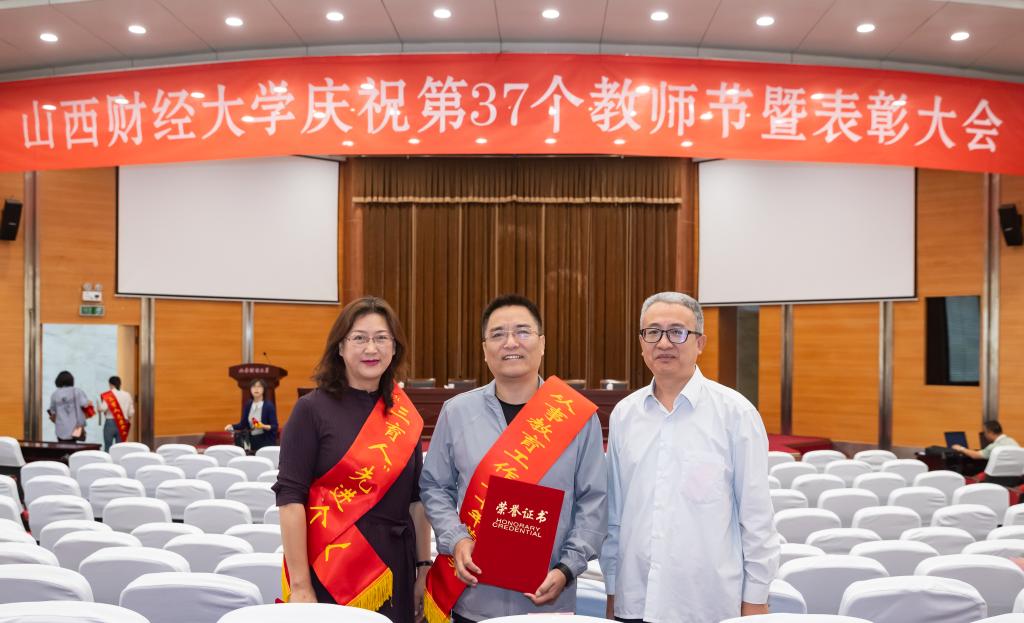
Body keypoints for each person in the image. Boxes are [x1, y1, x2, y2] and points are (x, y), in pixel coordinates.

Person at [419, 294, 607, 623]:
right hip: (473, 598)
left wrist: (567, 568)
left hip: (549, 600)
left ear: (542, 343)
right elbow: (434, 486)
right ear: (484, 349)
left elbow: (594, 501)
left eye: (522, 332)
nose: (510, 343)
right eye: (498, 334)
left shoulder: (577, 417)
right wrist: (456, 538)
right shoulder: (457, 412)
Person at [601, 292, 780, 623]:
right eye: (653, 332)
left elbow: (756, 518)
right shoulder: (625, 415)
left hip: (706, 602)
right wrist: (613, 588)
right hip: (636, 597)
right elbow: (615, 514)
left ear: (700, 343)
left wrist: (755, 599)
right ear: (641, 343)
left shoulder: (736, 414)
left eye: (677, 332)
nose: (664, 343)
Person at [273, 296, 431, 623]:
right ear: (340, 347)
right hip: (331, 567)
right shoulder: (311, 410)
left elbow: (417, 501)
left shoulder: (404, 415)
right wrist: (300, 586)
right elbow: (290, 499)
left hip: (395, 568)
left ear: (395, 348)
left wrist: (423, 568)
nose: (371, 348)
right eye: (359, 338)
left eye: (381, 338)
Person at [225, 378, 278, 452]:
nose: (256, 389)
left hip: (266, 441)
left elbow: (274, 426)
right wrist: (231, 426)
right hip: (252, 441)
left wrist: (263, 426)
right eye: (253, 386)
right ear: (250, 389)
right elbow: (243, 424)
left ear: (264, 389)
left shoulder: (268, 405)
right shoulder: (248, 404)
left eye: (259, 386)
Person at [47, 370, 93, 443]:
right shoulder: (77, 391)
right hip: (75, 427)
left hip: (60, 428)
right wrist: (89, 402)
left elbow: (52, 410)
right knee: (73, 446)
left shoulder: (55, 394)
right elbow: (85, 404)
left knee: (61, 446)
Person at [98, 376, 134, 451]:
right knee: (120, 448)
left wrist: (99, 408)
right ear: (120, 384)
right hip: (122, 423)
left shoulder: (109, 395)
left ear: (110, 384)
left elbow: (103, 408)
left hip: (110, 423)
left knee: (108, 447)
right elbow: (131, 412)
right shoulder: (127, 395)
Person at [952, 420, 1019, 460]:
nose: (984, 435)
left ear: (991, 432)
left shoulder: (994, 447)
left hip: (996, 478)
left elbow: (975, 455)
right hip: (1016, 477)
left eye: (985, 432)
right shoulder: (1013, 441)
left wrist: (960, 448)